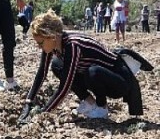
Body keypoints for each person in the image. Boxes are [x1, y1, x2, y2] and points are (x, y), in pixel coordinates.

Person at [18, 9, 148, 123]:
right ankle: (90, 103)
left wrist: (44, 113)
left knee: (93, 72)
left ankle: (101, 108)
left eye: (40, 43)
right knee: (57, 65)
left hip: (119, 81)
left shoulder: (72, 45)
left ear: (51, 36)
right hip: (95, 76)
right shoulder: (54, 46)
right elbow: (42, 73)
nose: (39, 47)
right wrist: (28, 103)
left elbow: (65, 86)